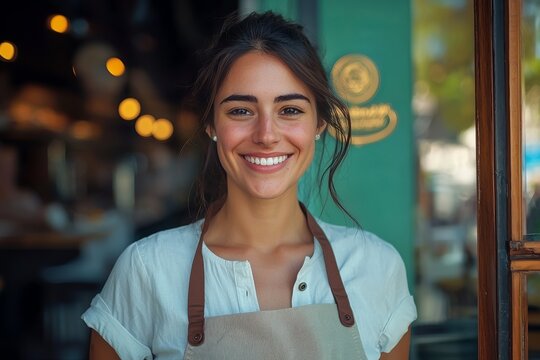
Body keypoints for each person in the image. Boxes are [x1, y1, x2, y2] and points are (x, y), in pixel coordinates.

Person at [82, 11, 417, 359]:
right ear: (211, 124)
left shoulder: (375, 267)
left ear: (319, 123)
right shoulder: (148, 270)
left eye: (289, 110)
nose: (266, 135)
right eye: (241, 111)